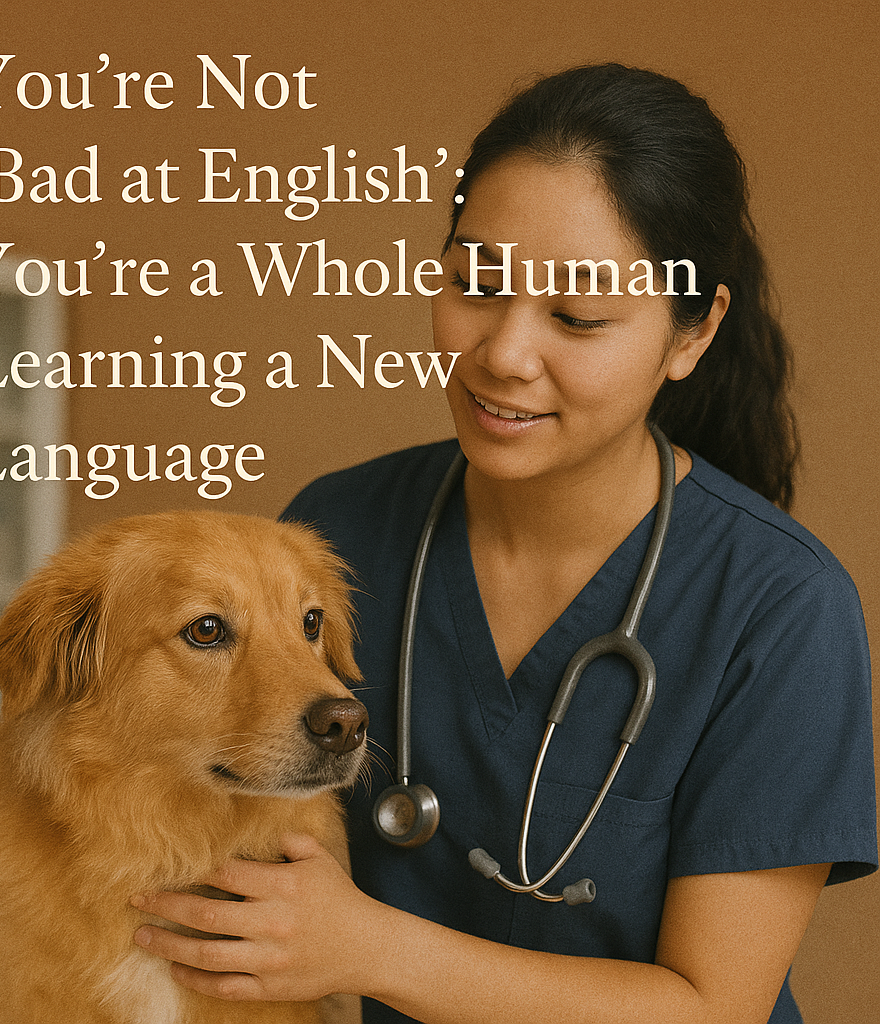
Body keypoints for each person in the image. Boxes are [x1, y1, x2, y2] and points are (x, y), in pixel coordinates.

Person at [132, 64, 877, 1023]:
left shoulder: (780, 607)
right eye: (476, 283)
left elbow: (713, 1007)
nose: (504, 353)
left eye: (577, 316)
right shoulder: (337, 533)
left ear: (692, 336)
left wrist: (368, 946)